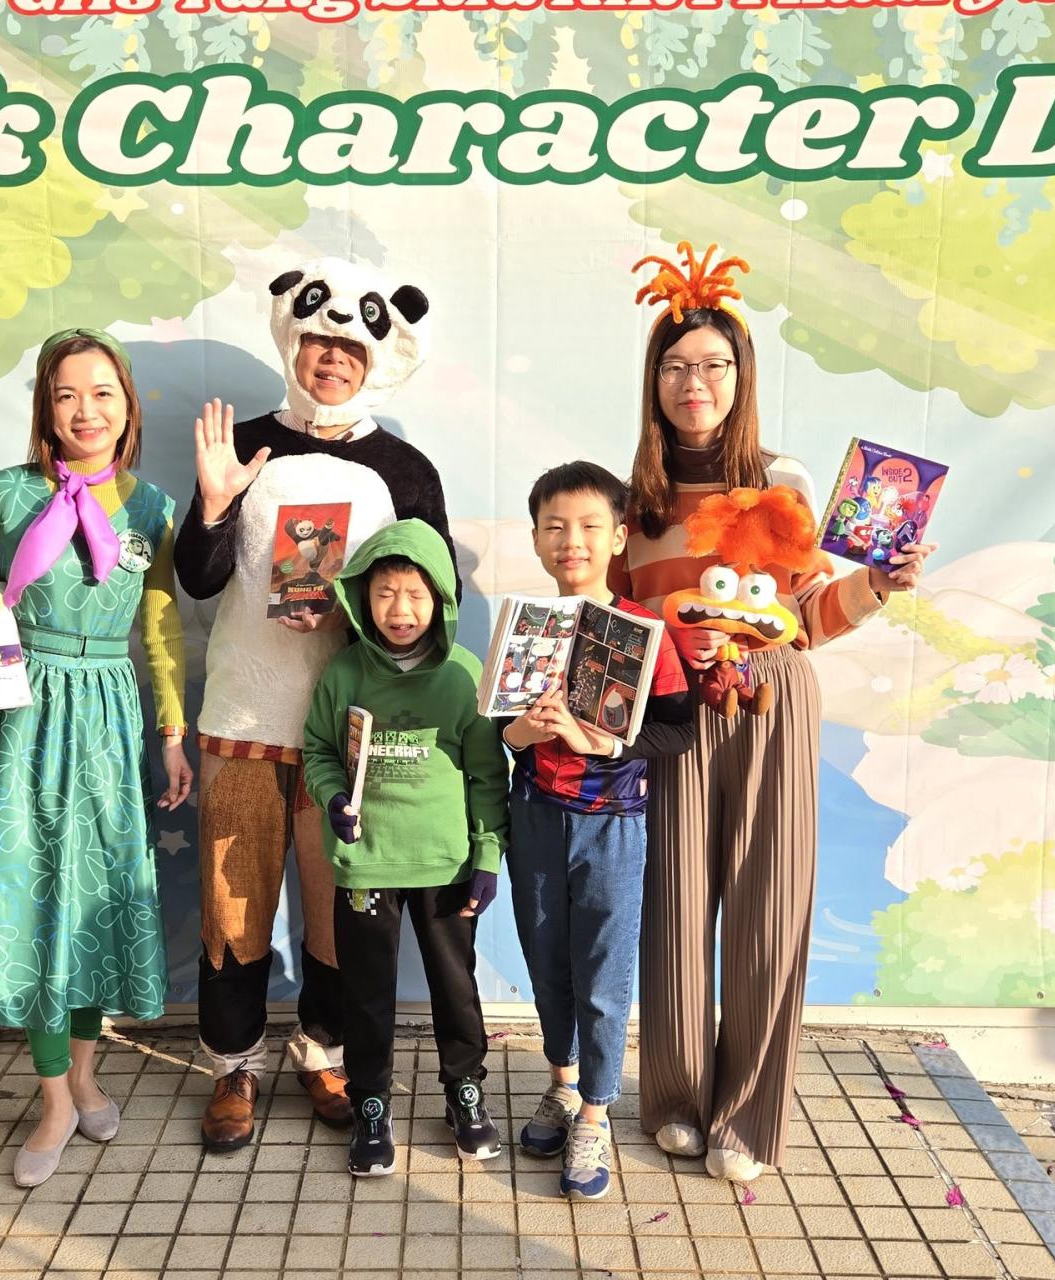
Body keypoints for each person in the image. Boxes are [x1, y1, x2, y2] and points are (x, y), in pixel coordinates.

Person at [614, 244, 935, 1182]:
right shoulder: (633, 501)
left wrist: (878, 585)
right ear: (653, 383)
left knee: (767, 907)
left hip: (771, 698)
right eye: (675, 366)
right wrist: (658, 653)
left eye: (713, 364)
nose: (694, 383)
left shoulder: (780, 481)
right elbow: (619, 620)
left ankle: (746, 1120)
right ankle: (674, 1099)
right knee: (673, 904)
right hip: (675, 709)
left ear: (740, 376)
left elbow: (810, 617)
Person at [0, 328, 193, 1188]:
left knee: (89, 902)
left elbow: (161, 628)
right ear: (45, 408)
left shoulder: (152, 507)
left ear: (127, 405)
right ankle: (55, 1098)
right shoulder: (10, 491)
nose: (85, 410)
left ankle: (88, 1077)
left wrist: (173, 732)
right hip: (18, 714)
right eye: (66, 395)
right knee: (32, 902)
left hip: (105, 717)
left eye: (102, 392)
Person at [173, 258, 456, 1150]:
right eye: (317, 342)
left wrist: (357, 623)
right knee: (232, 906)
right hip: (242, 722)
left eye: (350, 347)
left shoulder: (402, 469)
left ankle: (323, 1050)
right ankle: (232, 1063)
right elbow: (196, 579)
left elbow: (431, 603)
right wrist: (213, 506)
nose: (331, 358)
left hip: (350, 732)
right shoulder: (243, 446)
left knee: (340, 908)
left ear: (377, 356)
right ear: (290, 340)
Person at [503, 462, 694, 1199]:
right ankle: (561, 1082)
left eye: (588, 526)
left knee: (604, 978)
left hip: (612, 823)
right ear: (535, 539)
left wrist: (605, 744)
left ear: (618, 537)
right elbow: (496, 728)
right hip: (534, 817)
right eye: (554, 527)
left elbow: (679, 732)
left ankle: (595, 1111)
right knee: (546, 959)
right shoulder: (525, 628)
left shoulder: (645, 633)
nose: (570, 541)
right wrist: (518, 735)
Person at [301, 518, 507, 1176]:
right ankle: (370, 1103)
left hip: (445, 864)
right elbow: (318, 752)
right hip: (366, 863)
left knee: (455, 987)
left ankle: (464, 1091)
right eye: (385, 593)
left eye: (416, 594)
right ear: (363, 599)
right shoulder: (343, 673)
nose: (400, 609)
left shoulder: (463, 675)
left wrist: (486, 857)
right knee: (365, 993)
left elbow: (486, 775)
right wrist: (333, 798)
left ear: (440, 598)